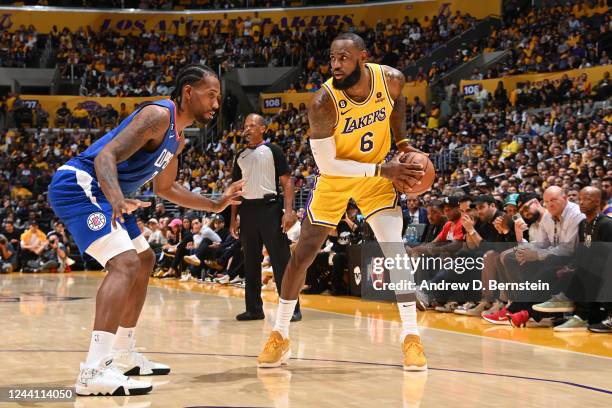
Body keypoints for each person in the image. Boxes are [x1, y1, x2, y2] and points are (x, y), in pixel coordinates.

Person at [47, 63, 243, 397]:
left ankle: (123, 353)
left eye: (218, 98)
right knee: (124, 263)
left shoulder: (178, 138)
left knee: (145, 258)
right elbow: (104, 156)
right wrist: (118, 200)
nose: (215, 103)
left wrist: (215, 205)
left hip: (109, 195)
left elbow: (166, 188)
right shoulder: (158, 115)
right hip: (79, 185)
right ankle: (93, 370)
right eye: (211, 95)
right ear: (187, 92)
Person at [257, 33, 427, 371]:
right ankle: (280, 333)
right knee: (302, 255)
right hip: (339, 179)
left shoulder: (391, 79)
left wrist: (404, 142)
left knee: (394, 250)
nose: (335, 64)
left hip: (378, 178)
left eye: (343, 58)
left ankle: (411, 337)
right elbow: (328, 164)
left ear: (362, 57)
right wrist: (386, 167)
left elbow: (398, 104)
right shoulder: (323, 101)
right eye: (332, 58)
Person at [230, 113, 300, 321]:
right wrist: (233, 218)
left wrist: (289, 211)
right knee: (250, 261)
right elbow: (235, 189)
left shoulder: (273, 150)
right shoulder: (239, 156)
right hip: (247, 210)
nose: (247, 129)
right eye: (245, 125)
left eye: (252, 125)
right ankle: (254, 309)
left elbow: (287, 182)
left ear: (263, 129)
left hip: (270, 208)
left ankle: (292, 310)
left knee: (281, 260)